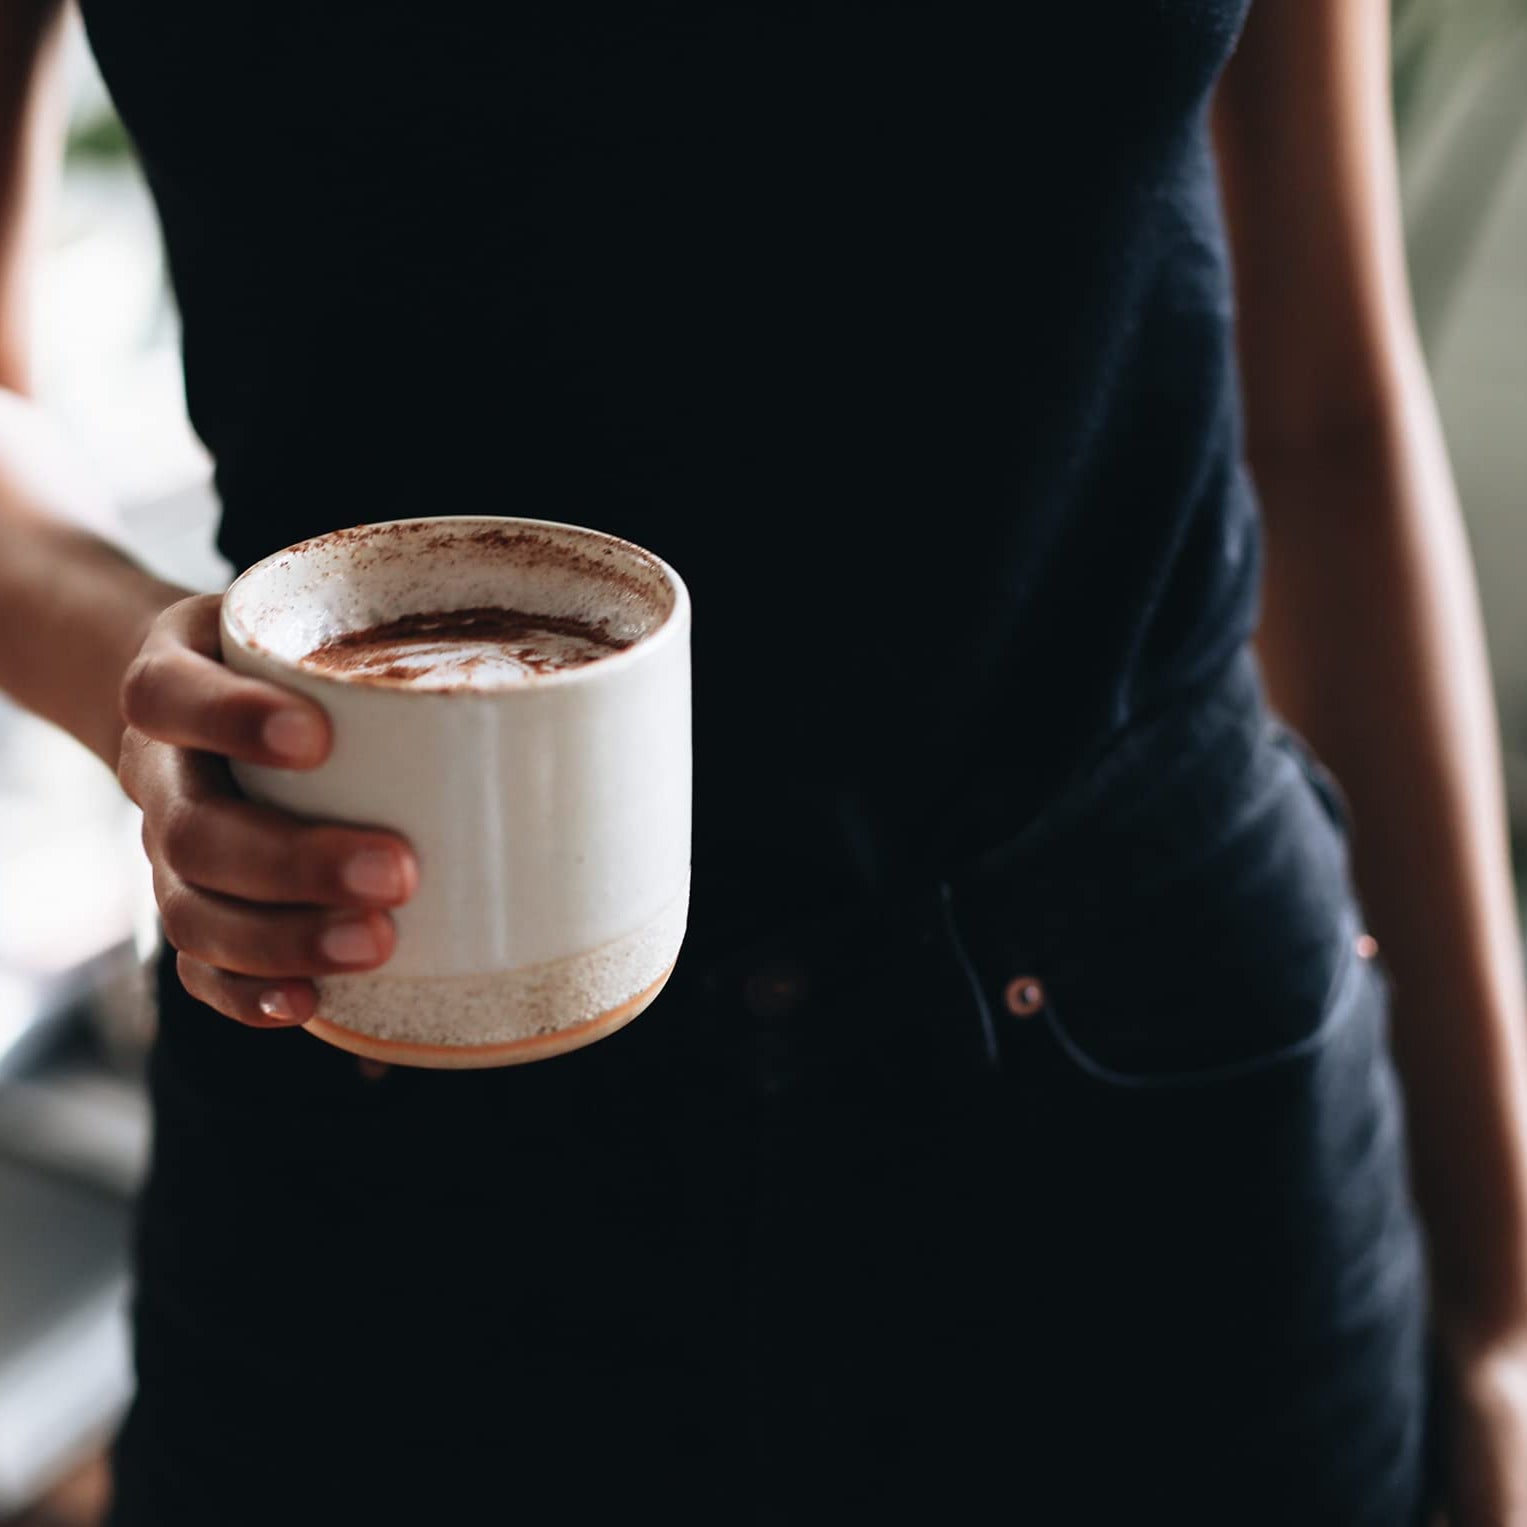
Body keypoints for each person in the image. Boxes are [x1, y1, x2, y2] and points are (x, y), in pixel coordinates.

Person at [2, 1, 1524, 1521]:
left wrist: (1504, 1315)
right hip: (384, 1107)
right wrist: (144, 689)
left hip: (1159, 1137)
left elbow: (1323, 420)